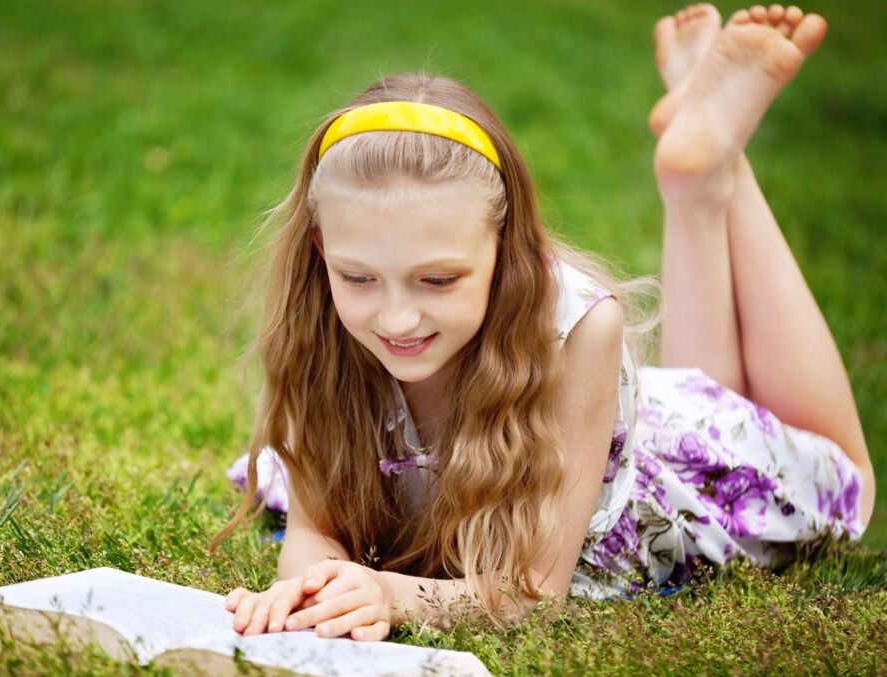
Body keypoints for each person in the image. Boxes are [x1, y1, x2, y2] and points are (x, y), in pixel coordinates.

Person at [215, 4, 875, 643]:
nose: (395, 316)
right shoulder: (321, 318)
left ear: (506, 253)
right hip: (621, 423)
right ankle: (698, 175)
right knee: (700, 385)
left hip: (665, 475)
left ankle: (714, 171)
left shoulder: (578, 327)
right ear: (323, 251)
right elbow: (313, 528)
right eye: (359, 278)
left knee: (850, 482)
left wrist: (387, 591)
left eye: (439, 279)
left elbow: (530, 590)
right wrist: (312, 587)